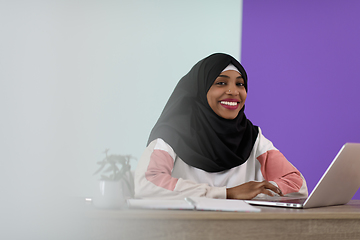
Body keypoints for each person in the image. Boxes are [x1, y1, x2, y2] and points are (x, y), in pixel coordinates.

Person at [134, 53, 308, 200]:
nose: (233, 91)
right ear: (200, 89)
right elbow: (147, 183)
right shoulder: (171, 135)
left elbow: (297, 185)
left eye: (240, 84)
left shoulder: (251, 138)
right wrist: (228, 194)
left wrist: (254, 192)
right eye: (221, 83)